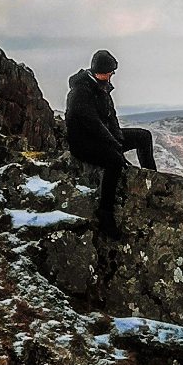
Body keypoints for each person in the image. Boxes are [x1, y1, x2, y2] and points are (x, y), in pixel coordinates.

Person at [64, 49, 157, 238]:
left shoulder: (102, 87)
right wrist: (114, 146)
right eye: (110, 72)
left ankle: (152, 179)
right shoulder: (80, 92)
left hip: (104, 138)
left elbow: (111, 118)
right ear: (100, 71)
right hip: (84, 143)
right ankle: (105, 214)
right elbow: (93, 124)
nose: (111, 76)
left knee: (143, 136)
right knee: (114, 162)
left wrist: (118, 139)